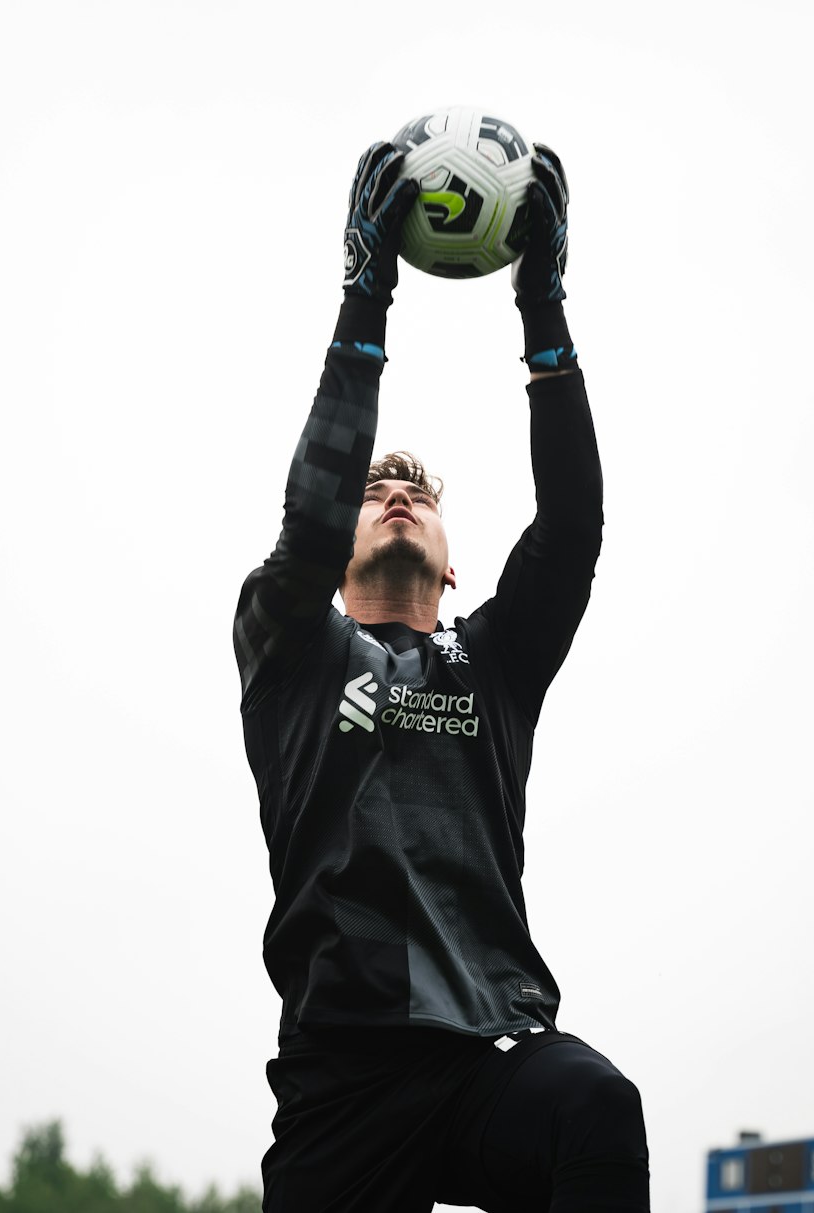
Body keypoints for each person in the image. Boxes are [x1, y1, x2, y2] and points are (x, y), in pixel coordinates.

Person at [233, 138, 650, 1213]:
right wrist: (364, 296)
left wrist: (542, 310)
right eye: (377, 487)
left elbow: (571, 529)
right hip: (342, 1079)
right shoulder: (288, 647)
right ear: (335, 542)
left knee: (596, 1101)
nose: (398, 492)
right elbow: (309, 513)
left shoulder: (496, 662)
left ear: (455, 562)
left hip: (486, 1049)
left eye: (418, 488)